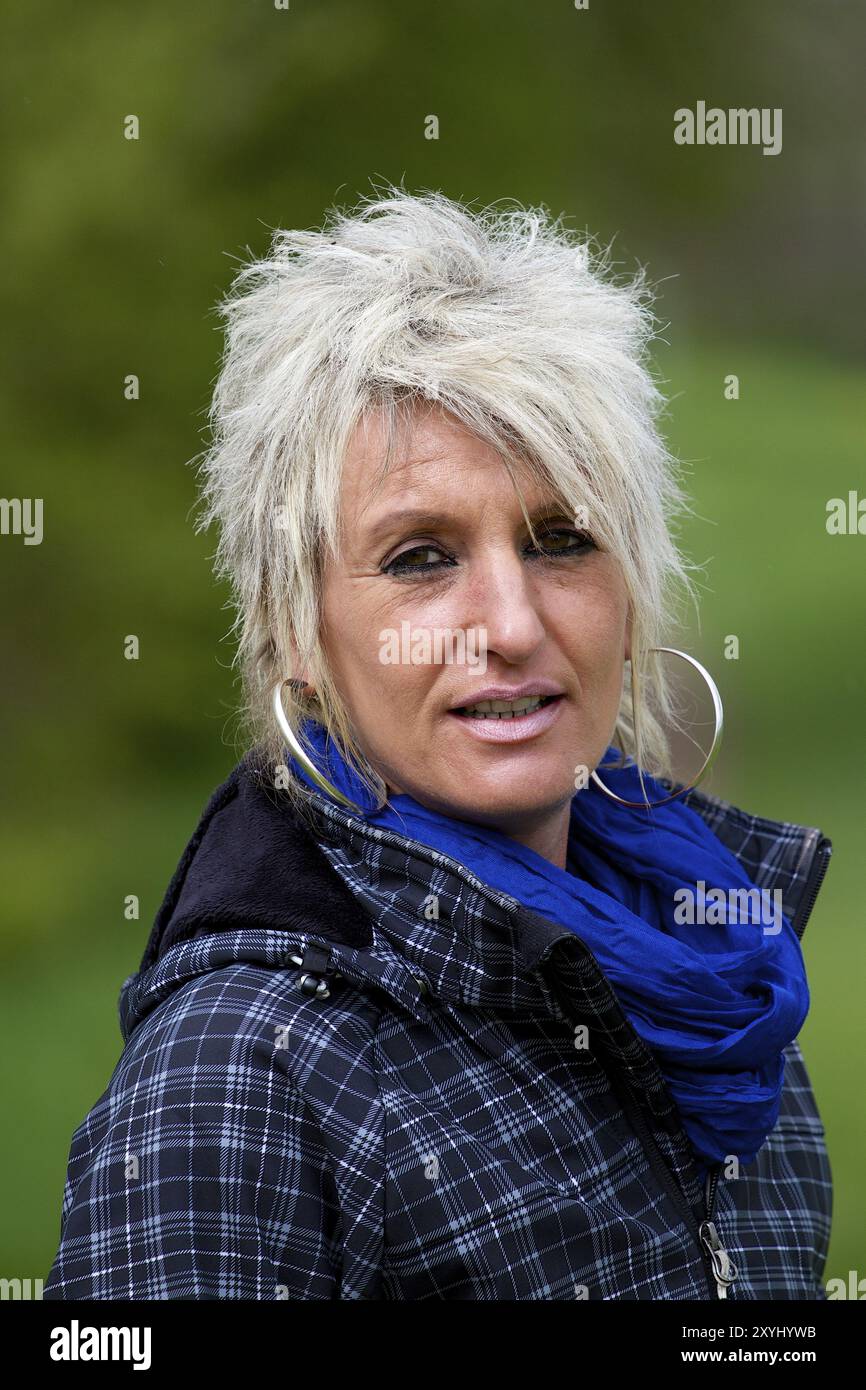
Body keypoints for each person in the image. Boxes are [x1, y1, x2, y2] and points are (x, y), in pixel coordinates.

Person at [44, 186, 832, 1300]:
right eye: (419, 556)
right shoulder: (238, 1081)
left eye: (561, 539)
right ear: (295, 629)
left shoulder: (723, 980)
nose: (509, 625)